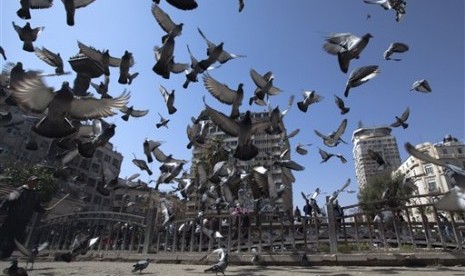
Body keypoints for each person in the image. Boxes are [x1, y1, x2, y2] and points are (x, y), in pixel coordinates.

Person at [0, 176, 45, 259]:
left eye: (36, 182)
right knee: (4, 235)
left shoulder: (35, 195)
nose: (35, 183)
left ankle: (5, 255)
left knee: (15, 239)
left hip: (24, 220)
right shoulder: (19, 191)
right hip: (12, 218)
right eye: (33, 181)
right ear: (28, 181)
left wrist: (44, 210)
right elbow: (7, 201)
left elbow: (36, 207)